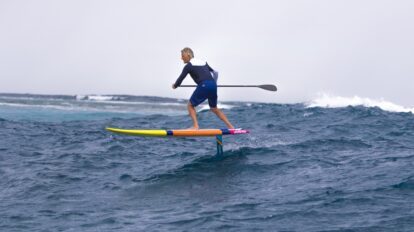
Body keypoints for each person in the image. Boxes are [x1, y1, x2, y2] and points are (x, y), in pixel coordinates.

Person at [172, 47, 234, 130]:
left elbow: (180, 79)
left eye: (182, 55)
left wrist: (175, 85)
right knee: (214, 108)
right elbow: (215, 73)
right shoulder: (203, 62)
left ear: (188, 55)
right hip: (213, 85)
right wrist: (213, 83)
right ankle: (231, 126)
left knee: (190, 105)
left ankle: (195, 126)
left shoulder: (189, 66)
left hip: (204, 85)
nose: (181, 58)